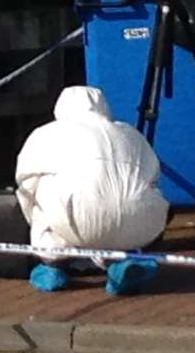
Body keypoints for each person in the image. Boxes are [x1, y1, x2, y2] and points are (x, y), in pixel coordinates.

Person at [14, 85, 169, 294]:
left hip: (76, 218)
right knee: (135, 201)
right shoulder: (130, 133)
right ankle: (127, 259)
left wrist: (34, 224)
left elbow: (25, 184)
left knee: (40, 190)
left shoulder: (47, 133)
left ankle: (53, 266)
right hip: (138, 221)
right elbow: (153, 177)